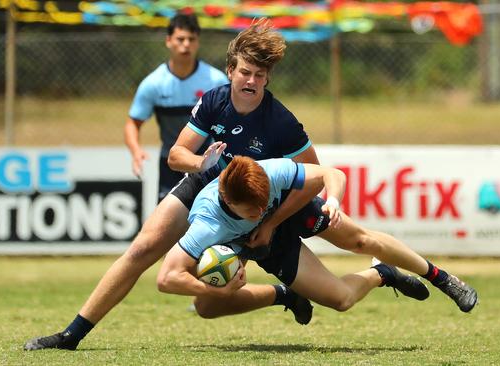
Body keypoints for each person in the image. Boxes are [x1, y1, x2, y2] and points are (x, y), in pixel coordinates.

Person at [24, 18, 321, 351]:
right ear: (230, 71)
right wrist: (201, 163)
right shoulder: (214, 99)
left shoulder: (280, 119)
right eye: (245, 72)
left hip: (244, 207)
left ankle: (290, 291)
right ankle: (71, 335)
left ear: (267, 78)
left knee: (207, 304)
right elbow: (177, 154)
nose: (250, 81)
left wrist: (269, 217)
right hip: (205, 184)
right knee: (141, 248)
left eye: (259, 75)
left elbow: (313, 173)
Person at [157, 156, 478, 319]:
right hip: (253, 243)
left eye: (263, 200)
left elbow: (330, 174)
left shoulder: (268, 172)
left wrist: (334, 200)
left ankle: (444, 279)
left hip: (290, 211)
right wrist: (222, 287)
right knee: (207, 306)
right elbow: (167, 278)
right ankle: (381, 274)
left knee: (359, 240)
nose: (261, 209)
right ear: (228, 201)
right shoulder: (206, 225)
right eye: (252, 208)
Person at [124, 13, 228, 202]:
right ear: (168, 41)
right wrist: (135, 151)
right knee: (167, 226)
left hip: (209, 162)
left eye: (191, 39)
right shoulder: (153, 84)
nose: (186, 44)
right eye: (180, 39)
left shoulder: (216, 80)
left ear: (198, 42)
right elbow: (133, 122)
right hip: (171, 164)